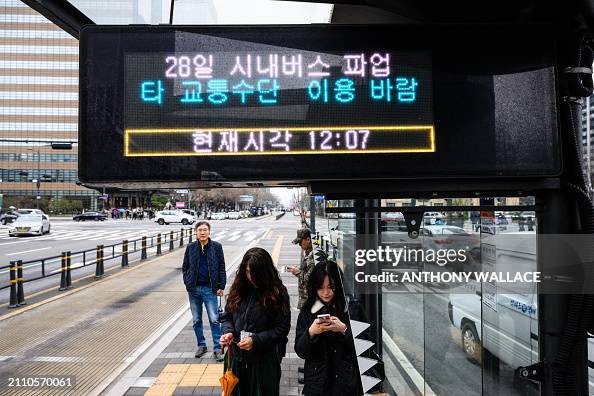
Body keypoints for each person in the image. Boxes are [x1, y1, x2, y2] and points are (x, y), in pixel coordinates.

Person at [220, 247, 290, 396]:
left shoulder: (278, 292)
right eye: (247, 272)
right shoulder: (239, 288)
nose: (250, 277)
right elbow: (226, 316)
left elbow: (282, 328)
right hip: (236, 359)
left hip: (264, 361)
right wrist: (228, 332)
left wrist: (256, 340)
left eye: (255, 273)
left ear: (264, 272)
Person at [294, 259, 359, 396]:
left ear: (339, 286)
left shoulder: (351, 308)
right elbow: (300, 351)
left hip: (346, 384)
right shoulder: (308, 311)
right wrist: (311, 333)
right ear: (314, 287)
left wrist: (344, 329)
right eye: (320, 288)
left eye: (331, 287)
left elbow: (365, 346)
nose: (326, 293)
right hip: (317, 385)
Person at [182, 221, 226, 361]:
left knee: (214, 319)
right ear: (196, 232)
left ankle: (217, 348)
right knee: (196, 320)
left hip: (210, 289)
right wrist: (188, 283)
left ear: (209, 231)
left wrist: (221, 286)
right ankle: (201, 345)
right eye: (200, 230)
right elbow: (185, 267)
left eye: (205, 230)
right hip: (194, 290)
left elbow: (221, 268)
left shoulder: (217, 247)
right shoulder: (191, 248)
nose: (202, 232)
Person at [287, 228, 315, 309]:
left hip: (309, 299)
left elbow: (311, 278)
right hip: (305, 297)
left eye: (300, 242)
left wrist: (298, 272)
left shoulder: (312, 256)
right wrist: (297, 271)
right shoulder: (308, 252)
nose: (299, 245)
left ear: (308, 239)